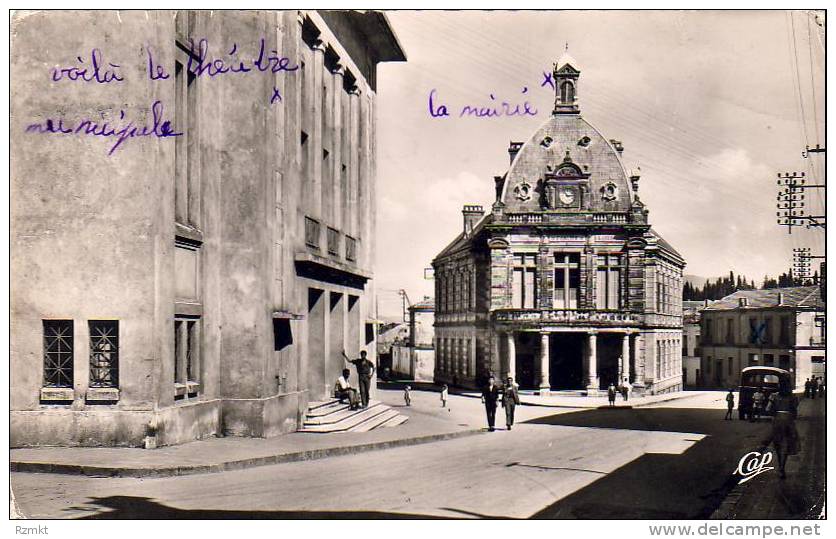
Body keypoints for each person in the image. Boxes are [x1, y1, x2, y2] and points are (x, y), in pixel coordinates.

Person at [762, 380, 800, 479]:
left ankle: (780, 467)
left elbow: (767, 409)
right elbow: (795, 410)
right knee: (787, 444)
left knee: (778, 444)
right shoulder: (793, 397)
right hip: (789, 421)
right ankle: (782, 467)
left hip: (778, 420)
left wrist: (775, 412)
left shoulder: (773, 396)